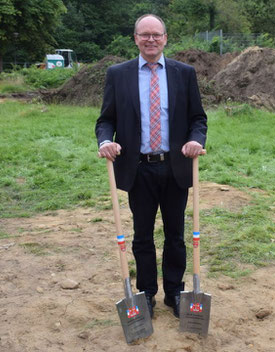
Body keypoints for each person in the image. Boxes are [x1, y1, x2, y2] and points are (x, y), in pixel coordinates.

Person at [95, 14, 207, 319]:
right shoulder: (118, 74)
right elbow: (106, 120)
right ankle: (145, 295)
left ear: (165, 38)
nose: (151, 40)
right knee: (142, 236)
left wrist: (196, 140)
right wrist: (105, 142)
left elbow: (198, 118)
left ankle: (174, 293)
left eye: (156, 34)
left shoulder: (184, 73)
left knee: (175, 235)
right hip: (138, 168)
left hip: (175, 167)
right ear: (135, 39)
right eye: (144, 35)